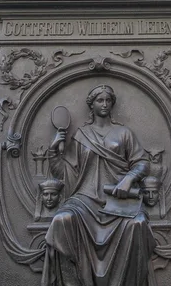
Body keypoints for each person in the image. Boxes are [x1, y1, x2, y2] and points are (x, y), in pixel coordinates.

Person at [41, 84, 155, 286]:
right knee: (61, 220)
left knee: (138, 224)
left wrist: (128, 179)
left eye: (108, 100)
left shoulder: (124, 133)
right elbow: (70, 173)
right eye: (99, 100)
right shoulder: (81, 135)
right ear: (91, 105)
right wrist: (53, 152)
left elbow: (142, 162)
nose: (104, 104)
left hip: (117, 201)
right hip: (85, 200)